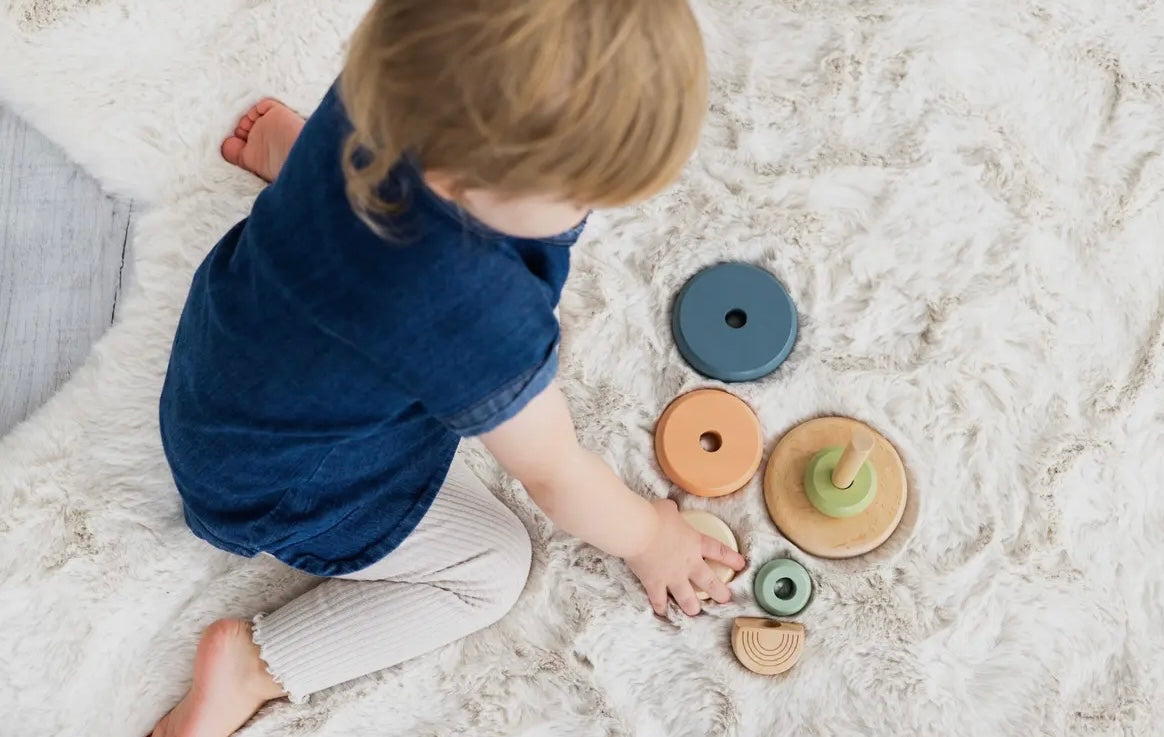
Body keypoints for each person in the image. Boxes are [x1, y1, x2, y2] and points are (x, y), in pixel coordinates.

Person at [152, 2, 744, 735]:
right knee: (491, 568)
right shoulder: (472, 308)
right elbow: (555, 474)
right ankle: (254, 666)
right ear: (474, 186)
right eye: (578, 197)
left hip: (228, 357)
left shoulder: (403, 71)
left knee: (341, 241)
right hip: (278, 482)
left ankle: (296, 169)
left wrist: (307, 162)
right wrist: (651, 538)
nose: (584, 210)